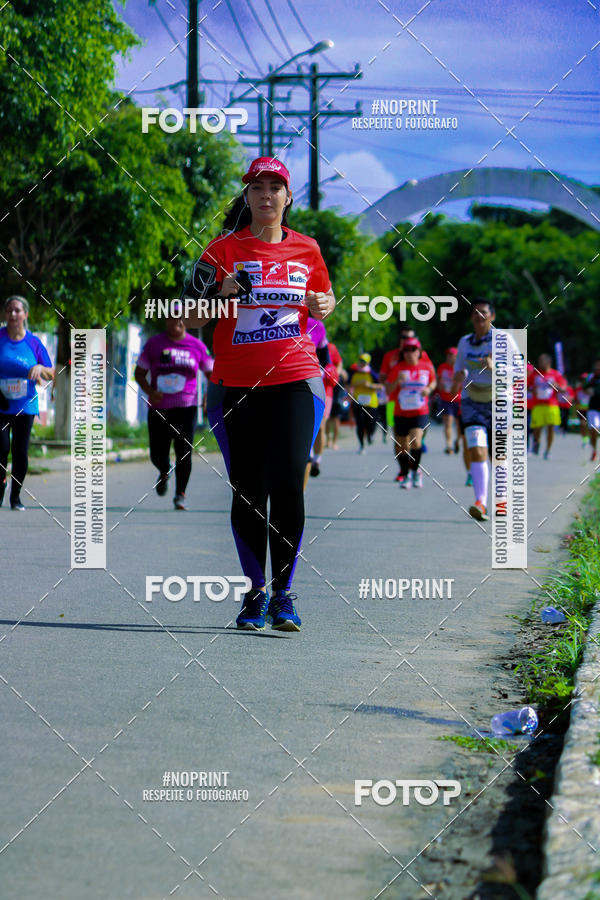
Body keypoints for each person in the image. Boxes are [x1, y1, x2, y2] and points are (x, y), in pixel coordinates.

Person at [184, 156, 335, 632]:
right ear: (246, 197)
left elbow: (322, 305)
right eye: (257, 187)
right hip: (235, 386)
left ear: (288, 198)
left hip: (295, 379)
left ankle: (284, 595)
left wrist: (325, 303)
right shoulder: (220, 250)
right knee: (248, 491)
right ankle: (255, 594)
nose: (266, 195)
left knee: (289, 481)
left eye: (275, 187)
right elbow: (188, 318)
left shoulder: (308, 250)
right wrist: (220, 293)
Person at [135, 307, 213, 510]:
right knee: (156, 454)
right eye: (172, 317)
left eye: (180, 318)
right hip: (159, 407)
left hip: (186, 408)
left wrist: (207, 397)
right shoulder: (154, 344)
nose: (176, 321)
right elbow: (139, 373)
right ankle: (164, 469)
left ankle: (180, 494)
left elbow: (211, 374)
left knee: (184, 452)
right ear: (166, 320)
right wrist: (149, 391)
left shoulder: (197, 346)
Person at [0, 296, 54, 510]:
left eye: (17, 311)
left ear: (25, 315)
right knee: (1, 448)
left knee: (20, 453)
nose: (13, 314)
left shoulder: (33, 342)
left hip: (25, 406)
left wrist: (40, 369)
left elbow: (51, 373)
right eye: (9, 310)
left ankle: (16, 496)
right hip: (1, 405)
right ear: (5, 314)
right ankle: (1, 485)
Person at [451, 299, 496, 521]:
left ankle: (503, 499)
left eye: (484, 313)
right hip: (471, 401)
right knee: (477, 450)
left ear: (492, 317)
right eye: (476, 313)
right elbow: (458, 369)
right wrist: (458, 377)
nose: (480, 316)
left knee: (499, 455)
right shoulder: (464, 342)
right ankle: (481, 502)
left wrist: (496, 366)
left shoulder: (504, 340)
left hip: (499, 402)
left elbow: (520, 372)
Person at [381, 327, 435, 479]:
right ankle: (403, 470)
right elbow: (384, 380)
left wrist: (429, 389)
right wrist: (396, 380)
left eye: (413, 348)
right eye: (405, 338)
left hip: (419, 408)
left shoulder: (424, 358)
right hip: (395, 404)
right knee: (400, 443)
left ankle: (413, 471)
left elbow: (432, 377)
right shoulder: (391, 358)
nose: (410, 351)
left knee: (415, 441)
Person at [528, 354, 566, 459]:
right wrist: (532, 389)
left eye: (542, 361)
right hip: (538, 405)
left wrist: (556, 386)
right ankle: (537, 441)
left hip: (551, 405)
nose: (540, 363)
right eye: (539, 361)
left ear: (548, 362)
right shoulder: (535, 374)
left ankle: (548, 451)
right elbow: (526, 386)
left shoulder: (555, 374)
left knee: (551, 428)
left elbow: (564, 388)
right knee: (536, 429)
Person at [347, 353, 383, 453]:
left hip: (371, 403)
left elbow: (381, 386)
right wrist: (355, 385)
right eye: (361, 361)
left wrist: (370, 385)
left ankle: (371, 435)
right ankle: (361, 445)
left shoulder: (372, 373)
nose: (362, 363)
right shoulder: (354, 373)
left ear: (368, 363)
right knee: (360, 424)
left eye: (364, 362)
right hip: (358, 403)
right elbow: (348, 385)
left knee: (371, 423)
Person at [436, 347, 460, 454]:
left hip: (459, 399)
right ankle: (449, 445)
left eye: (452, 355)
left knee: (459, 424)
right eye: (448, 355)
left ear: (456, 357)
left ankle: (457, 440)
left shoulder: (460, 368)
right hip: (446, 399)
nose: (449, 357)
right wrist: (439, 385)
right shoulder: (442, 367)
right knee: (448, 423)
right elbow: (438, 380)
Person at [325, 341, 345, 449]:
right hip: (322, 385)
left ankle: (335, 441)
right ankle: (327, 439)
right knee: (326, 417)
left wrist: (335, 376)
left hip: (334, 385)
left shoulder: (331, 347)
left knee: (336, 416)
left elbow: (339, 363)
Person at [584, 360, 600, 462]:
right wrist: (587, 390)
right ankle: (594, 450)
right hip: (593, 408)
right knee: (593, 430)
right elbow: (585, 388)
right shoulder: (591, 377)